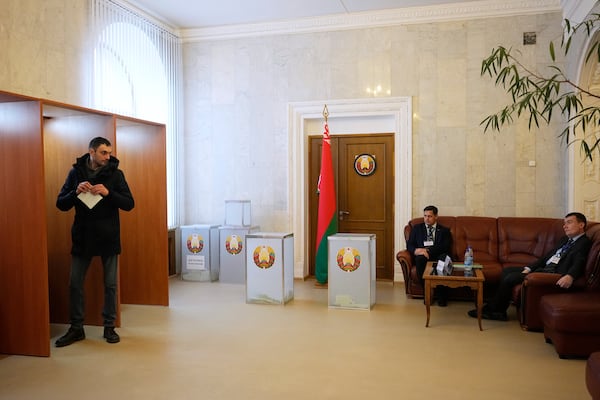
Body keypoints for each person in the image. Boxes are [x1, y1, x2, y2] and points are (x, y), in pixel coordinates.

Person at [55, 137, 135, 347]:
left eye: (109, 152)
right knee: (75, 284)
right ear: (91, 151)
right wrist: (75, 192)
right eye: (103, 152)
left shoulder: (116, 174)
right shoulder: (75, 173)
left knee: (110, 284)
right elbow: (60, 204)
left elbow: (129, 204)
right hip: (82, 236)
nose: (108, 157)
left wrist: (109, 194)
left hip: (108, 236)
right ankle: (76, 328)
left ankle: (109, 327)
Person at [468, 212, 591, 321]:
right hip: (544, 269)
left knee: (511, 278)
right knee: (507, 271)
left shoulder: (584, 242)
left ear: (581, 225)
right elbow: (547, 257)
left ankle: (497, 311)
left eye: (569, 223)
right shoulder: (565, 240)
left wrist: (570, 275)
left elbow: (580, 261)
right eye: (564, 223)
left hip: (553, 274)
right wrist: (530, 268)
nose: (565, 226)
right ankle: (495, 306)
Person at [406, 205, 452, 306]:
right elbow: (409, 245)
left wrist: (427, 250)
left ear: (436, 216)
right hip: (423, 256)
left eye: (430, 216)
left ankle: (441, 295)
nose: (427, 218)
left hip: (439, 254)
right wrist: (416, 251)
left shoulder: (444, 230)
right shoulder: (417, 228)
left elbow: (445, 246)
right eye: (425, 216)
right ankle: (427, 292)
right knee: (419, 259)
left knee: (443, 259)